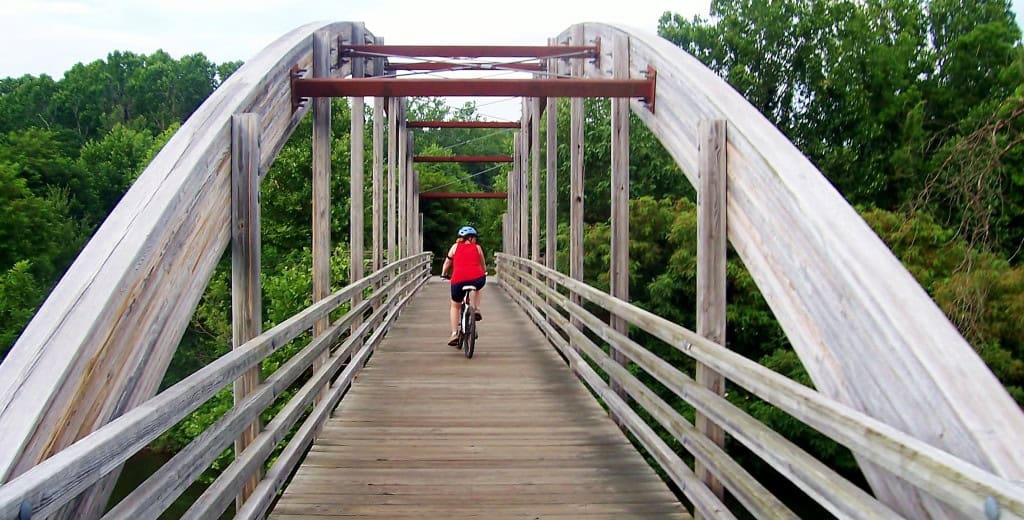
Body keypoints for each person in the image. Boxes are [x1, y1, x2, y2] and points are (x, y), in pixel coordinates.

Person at [440, 226, 487, 346]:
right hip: (477, 279)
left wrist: (444, 274)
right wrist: (484, 273)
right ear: (470, 238)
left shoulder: (454, 247)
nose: (476, 240)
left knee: (455, 306)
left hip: (458, 280)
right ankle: (476, 308)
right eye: (475, 238)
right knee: (479, 285)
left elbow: (447, 263)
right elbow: (483, 265)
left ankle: (454, 333)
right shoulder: (477, 248)